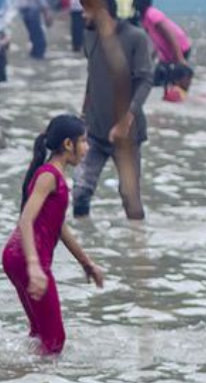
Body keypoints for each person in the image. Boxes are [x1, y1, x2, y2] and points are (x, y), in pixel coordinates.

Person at [2, 114, 104, 355]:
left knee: (40, 334)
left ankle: (22, 380)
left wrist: (86, 263)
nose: (87, 147)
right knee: (55, 340)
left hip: (15, 257)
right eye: (84, 141)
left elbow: (59, 227)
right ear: (68, 144)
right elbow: (26, 219)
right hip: (26, 258)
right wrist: (35, 267)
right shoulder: (49, 175)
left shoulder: (54, 175)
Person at [72, 0, 152, 220]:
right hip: (95, 131)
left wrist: (125, 122)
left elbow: (146, 81)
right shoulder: (90, 35)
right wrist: (83, 117)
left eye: (87, 10)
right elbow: (93, 76)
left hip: (127, 135)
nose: (82, 15)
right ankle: (84, 241)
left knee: (129, 196)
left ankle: (137, 238)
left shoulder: (136, 37)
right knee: (80, 190)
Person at [134, 0, 190, 87]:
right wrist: (151, 61)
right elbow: (154, 40)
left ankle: (197, 96)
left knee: (176, 87)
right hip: (167, 54)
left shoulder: (151, 14)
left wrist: (180, 59)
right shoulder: (143, 18)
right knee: (158, 81)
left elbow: (170, 36)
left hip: (180, 48)